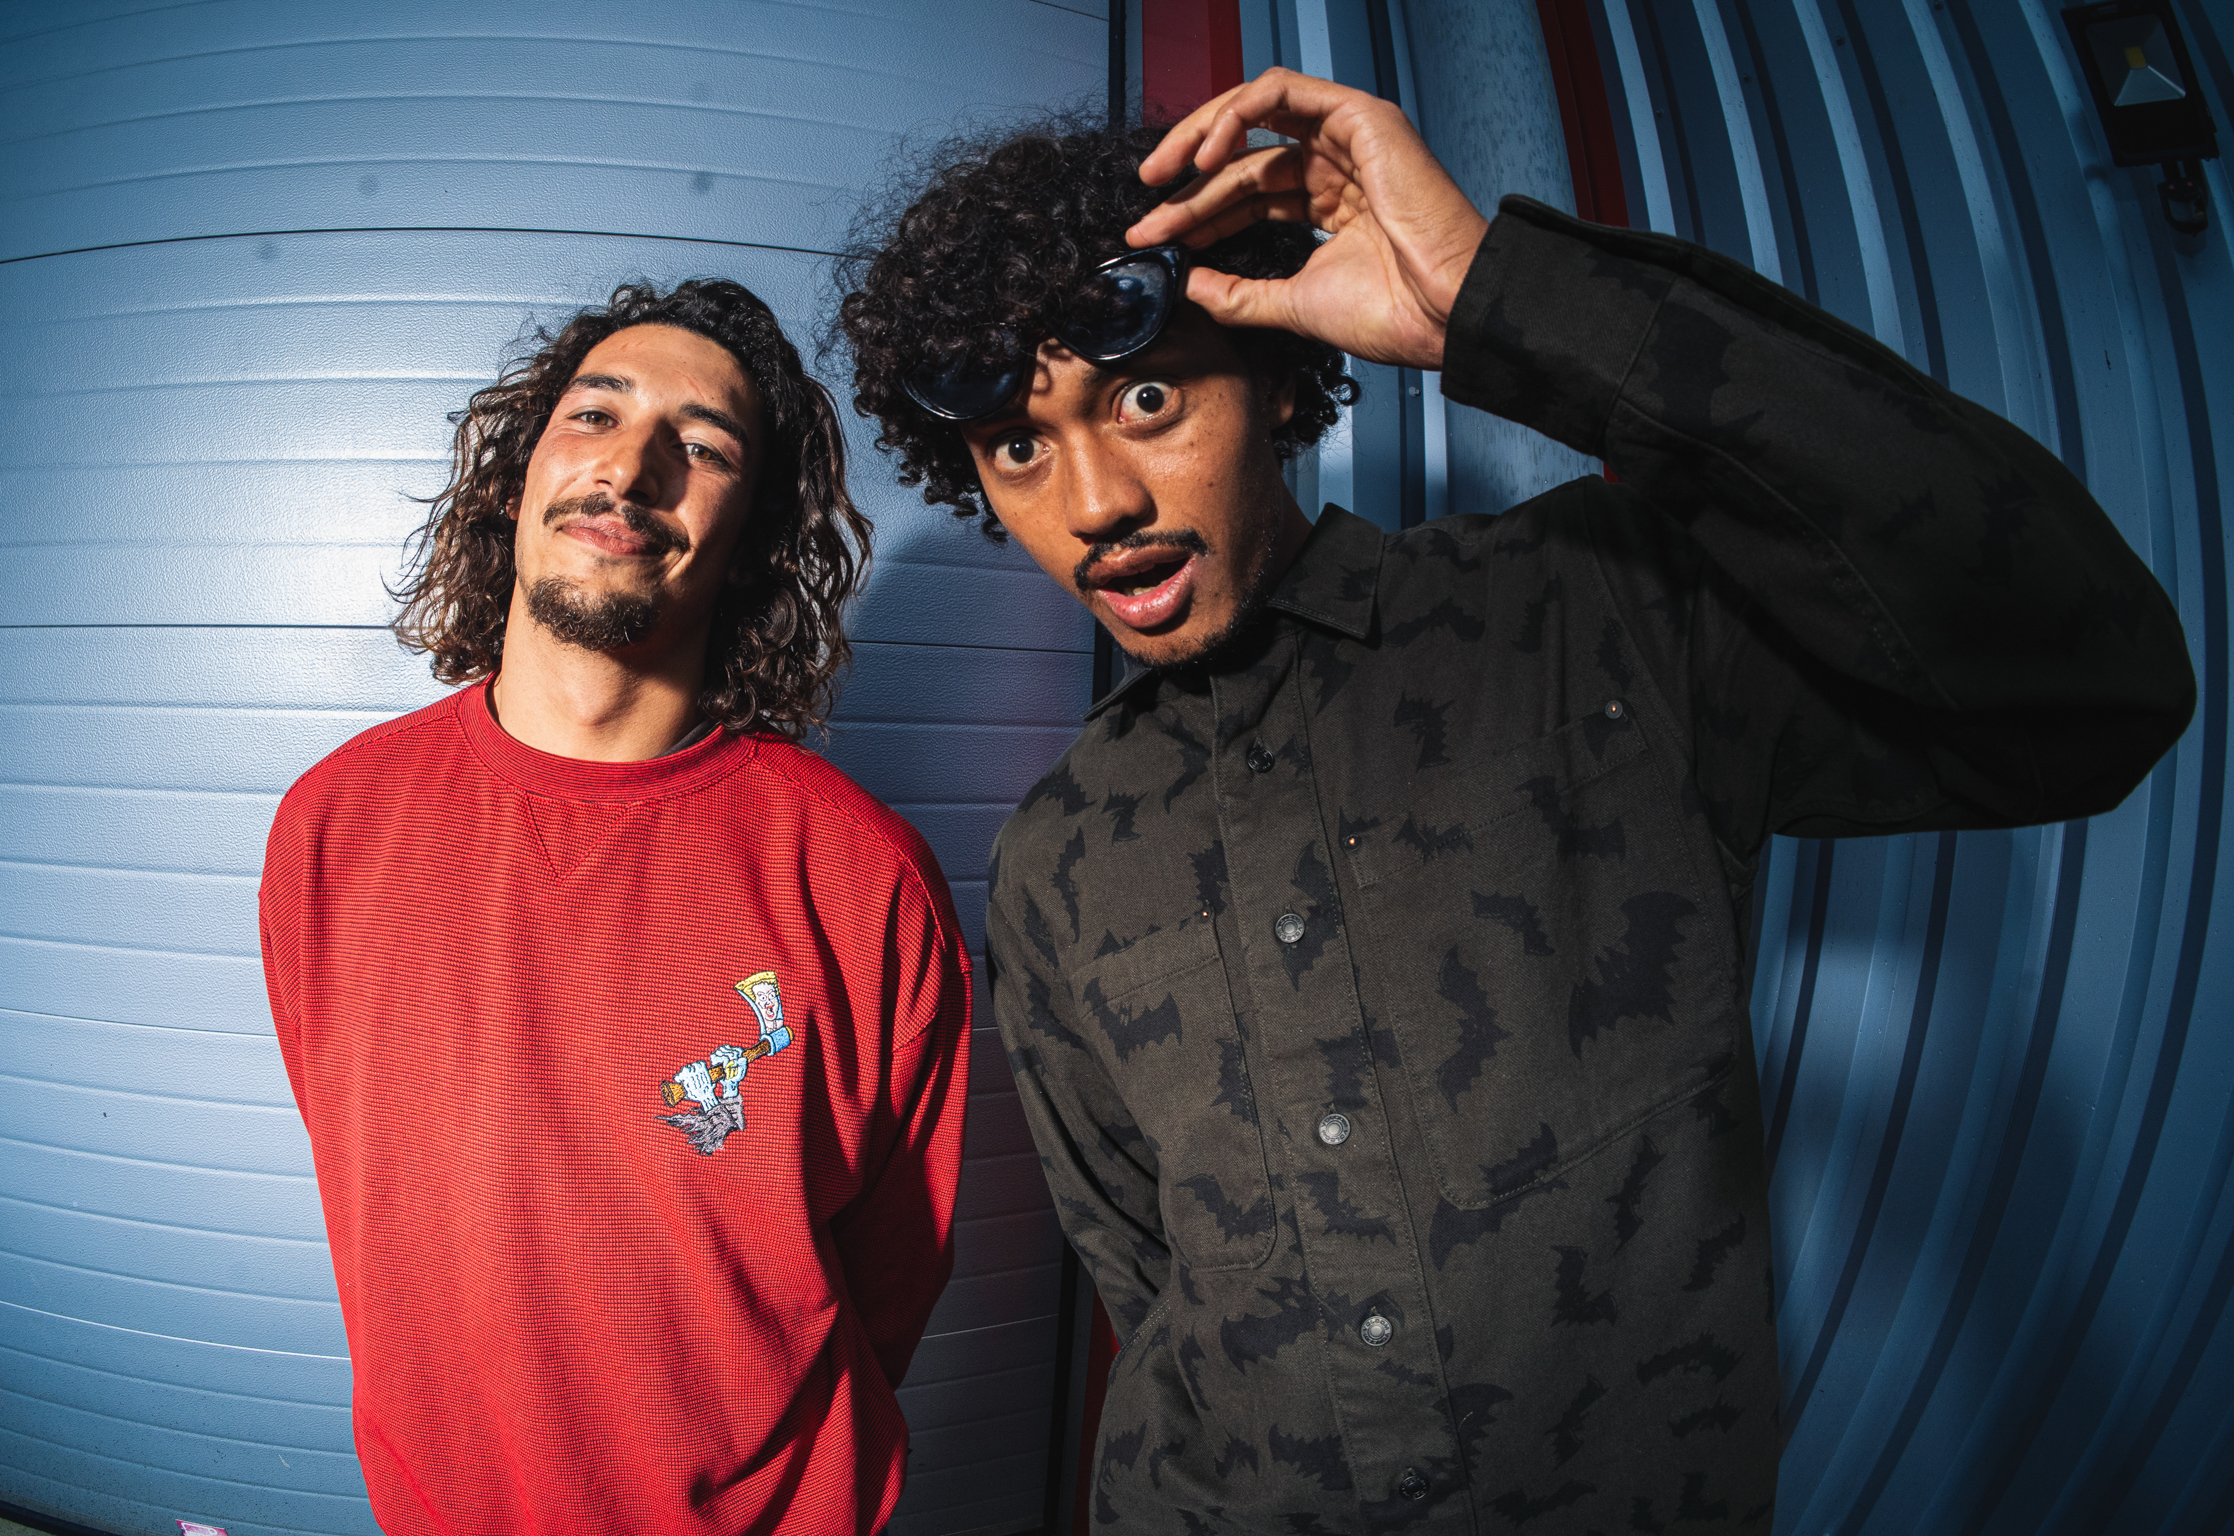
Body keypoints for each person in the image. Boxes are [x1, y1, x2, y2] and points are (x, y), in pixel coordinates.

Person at [836, 72, 2194, 1531]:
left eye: (1147, 396)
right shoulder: (1052, 860)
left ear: (1279, 373)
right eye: (1021, 449)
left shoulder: (1598, 614)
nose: (1095, 500)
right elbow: (1147, 1275)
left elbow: (2083, 689)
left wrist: (1500, 300)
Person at [259, 279, 972, 1535]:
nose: (631, 466)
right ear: (519, 476)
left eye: (702, 446)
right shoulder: (332, 826)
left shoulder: (861, 878)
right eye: (594, 415)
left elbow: (892, 1280)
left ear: (749, 532)